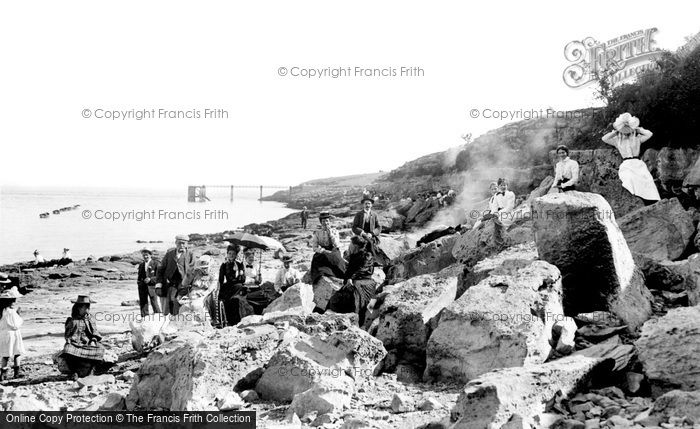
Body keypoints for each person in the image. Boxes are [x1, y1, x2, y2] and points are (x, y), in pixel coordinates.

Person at [602, 112, 660, 204]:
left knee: (646, 180)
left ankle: (650, 201)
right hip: (627, 164)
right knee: (629, 179)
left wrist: (637, 129)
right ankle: (636, 199)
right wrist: (616, 131)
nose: (626, 132)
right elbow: (604, 138)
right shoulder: (617, 141)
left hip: (638, 163)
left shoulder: (637, 138)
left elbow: (649, 134)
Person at [326, 236, 377, 326]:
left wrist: (350, 278)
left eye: (351, 245)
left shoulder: (361, 257)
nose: (349, 246)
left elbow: (355, 272)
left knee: (337, 301)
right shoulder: (362, 255)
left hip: (361, 286)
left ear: (355, 247)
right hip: (363, 284)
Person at [62, 295, 111, 378]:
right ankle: (74, 372)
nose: (87, 310)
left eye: (88, 307)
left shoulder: (90, 319)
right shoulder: (72, 320)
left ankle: (91, 370)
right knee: (67, 350)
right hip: (76, 343)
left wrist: (93, 340)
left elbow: (95, 332)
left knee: (100, 350)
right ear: (79, 308)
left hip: (88, 342)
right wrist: (69, 340)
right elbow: (68, 335)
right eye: (85, 307)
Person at [156, 235, 194, 316]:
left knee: (181, 303)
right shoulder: (169, 254)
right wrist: (159, 284)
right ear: (176, 243)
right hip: (171, 284)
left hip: (185, 284)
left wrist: (189, 284)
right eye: (179, 243)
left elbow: (193, 270)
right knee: (170, 303)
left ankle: (181, 320)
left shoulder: (190, 254)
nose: (182, 245)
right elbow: (160, 269)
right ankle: (171, 321)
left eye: (184, 243)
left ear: (187, 244)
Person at [217, 244, 250, 326]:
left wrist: (241, 273)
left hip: (237, 286)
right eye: (230, 253)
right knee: (225, 300)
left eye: (233, 254)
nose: (231, 255)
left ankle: (236, 321)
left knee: (235, 300)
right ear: (227, 254)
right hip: (228, 286)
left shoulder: (239, 264)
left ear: (236, 255)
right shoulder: (224, 265)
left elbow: (243, 280)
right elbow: (221, 279)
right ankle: (227, 320)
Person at [179, 255, 218, 324]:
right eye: (202, 268)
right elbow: (184, 284)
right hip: (193, 292)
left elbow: (211, 288)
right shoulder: (196, 273)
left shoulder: (213, 274)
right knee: (184, 307)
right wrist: (188, 275)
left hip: (205, 293)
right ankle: (187, 322)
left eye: (206, 268)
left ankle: (203, 322)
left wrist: (203, 293)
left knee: (196, 305)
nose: (204, 270)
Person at [310, 212, 346, 283]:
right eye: (323, 221)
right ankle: (326, 274)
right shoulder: (317, 233)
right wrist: (323, 251)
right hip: (322, 251)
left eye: (327, 221)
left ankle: (340, 275)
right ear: (321, 222)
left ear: (329, 222)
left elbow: (337, 245)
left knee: (337, 259)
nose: (325, 223)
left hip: (333, 249)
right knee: (318, 262)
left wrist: (331, 234)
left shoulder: (335, 231)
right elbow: (314, 247)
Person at [0, 287, 24, 381]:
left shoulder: (2, 311)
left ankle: (3, 373)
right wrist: (19, 315)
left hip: (3, 334)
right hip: (13, 334)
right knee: (17, 352)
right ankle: (16, 372)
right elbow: (16, 325)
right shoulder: (11, 312)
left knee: (5, 354)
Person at [136, 249, 160, 317]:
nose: (145, 256)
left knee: (154, 303)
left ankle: (159, 317)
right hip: (142, 287)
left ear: (150, 255)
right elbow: (139, 276)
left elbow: (159, 276)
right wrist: (139, 283)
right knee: (143, 303)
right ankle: (144, 318)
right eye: (144, 255)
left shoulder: (156, 263)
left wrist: (151, 279)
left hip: (152, 287)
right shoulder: (141, 265)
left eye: (147, 255)